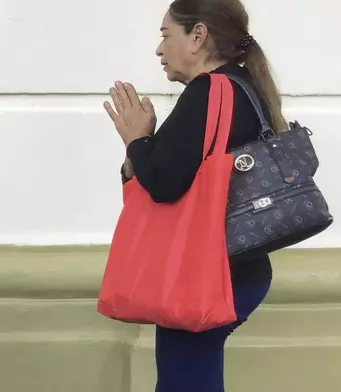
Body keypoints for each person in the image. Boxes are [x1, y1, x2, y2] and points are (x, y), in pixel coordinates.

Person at [102, 0, 282, 390]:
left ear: (197, 36)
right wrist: (143, 145)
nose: (159, 49)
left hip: (205, 274)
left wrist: (137, 139)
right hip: (241, 268)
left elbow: (164, 183)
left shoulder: (209, 92)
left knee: (183, 381)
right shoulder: (244, 88)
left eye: (166, 35)